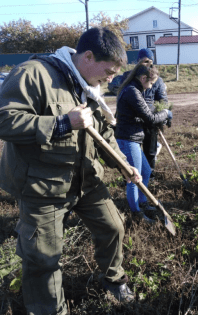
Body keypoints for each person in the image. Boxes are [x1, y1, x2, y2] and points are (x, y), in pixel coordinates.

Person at [0, 27, 141, 314]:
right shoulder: (34, 74)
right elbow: (4, 120)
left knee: (113, 227)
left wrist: (123, 165)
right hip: (43, 187)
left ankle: (114, 280)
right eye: (109, 71)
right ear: (88, 56)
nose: (111, 79)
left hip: (86, 181)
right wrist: (63, 123)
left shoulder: (91, 87)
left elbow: (103, 133)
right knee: (43, 259)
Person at [114, 63, 172, 220]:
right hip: (128, 139)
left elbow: (141, 114)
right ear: (143, 78)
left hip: (133, 138)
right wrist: (165, 113)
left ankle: (143, 202)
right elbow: (150, 118)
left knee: (145, 172)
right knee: (134, 178)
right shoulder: (132, 91)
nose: (151, 86)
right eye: (151, 83)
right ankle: (136, 212)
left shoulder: (135, 89)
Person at [136, 48, 170, 179]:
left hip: (151, 121)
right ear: (138, 61)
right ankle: (133, 175)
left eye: (148, 61)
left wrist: (163, 117)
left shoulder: (157, 80)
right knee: (134, 150)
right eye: (142, 61)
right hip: (134, 121)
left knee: (150, 151)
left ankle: (149, 174)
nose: (145, 64)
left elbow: (163, 100)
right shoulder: (131, 76)